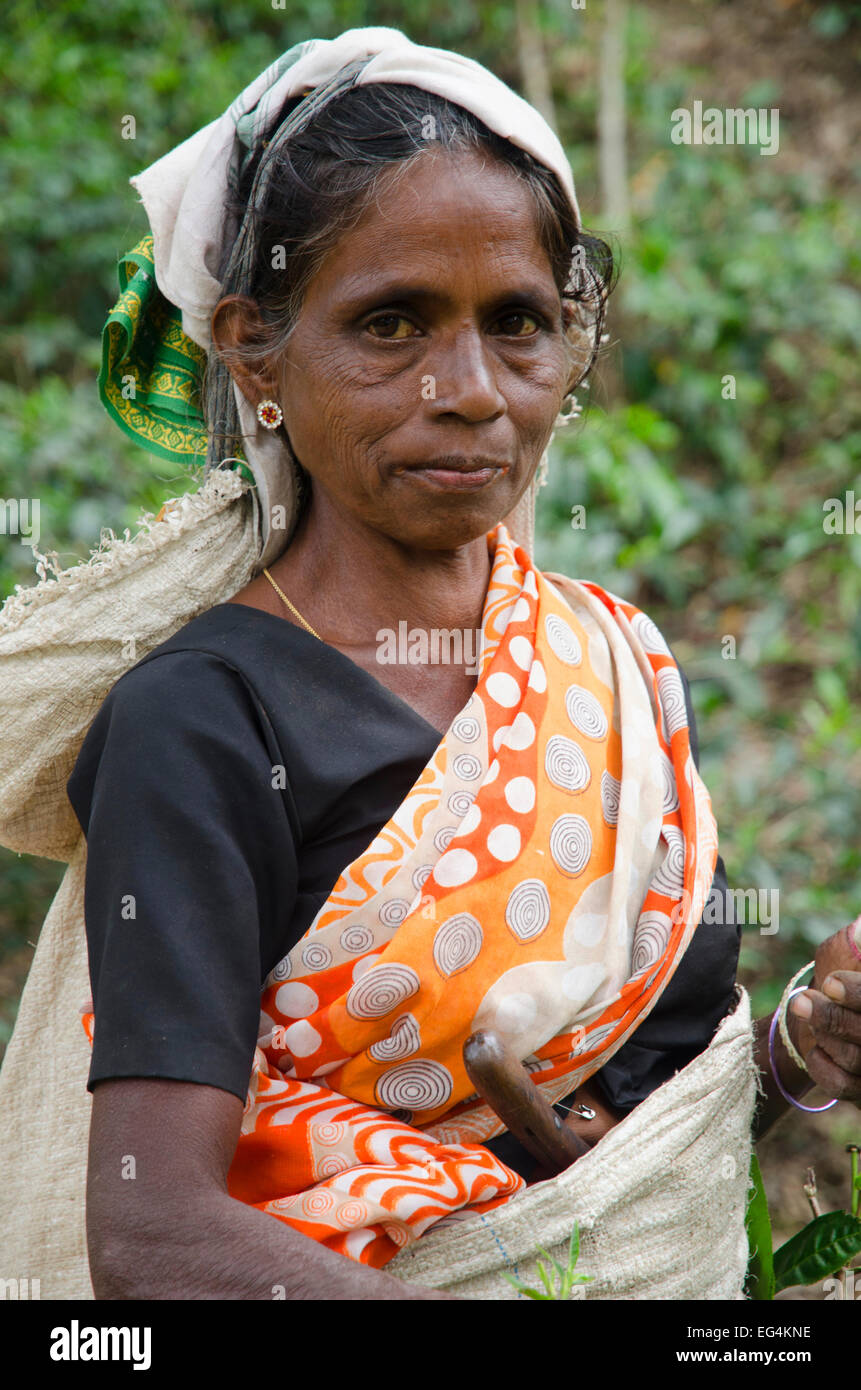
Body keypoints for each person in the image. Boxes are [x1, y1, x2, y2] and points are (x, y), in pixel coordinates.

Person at [67, 29, 861, 1301]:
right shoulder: (203, 725)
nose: (471, 388)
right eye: (391, 323)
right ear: (255, 348)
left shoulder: (603, 667)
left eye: (519, 325)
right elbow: (153, 1233)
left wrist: (798, 1048)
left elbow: (627, 1152)